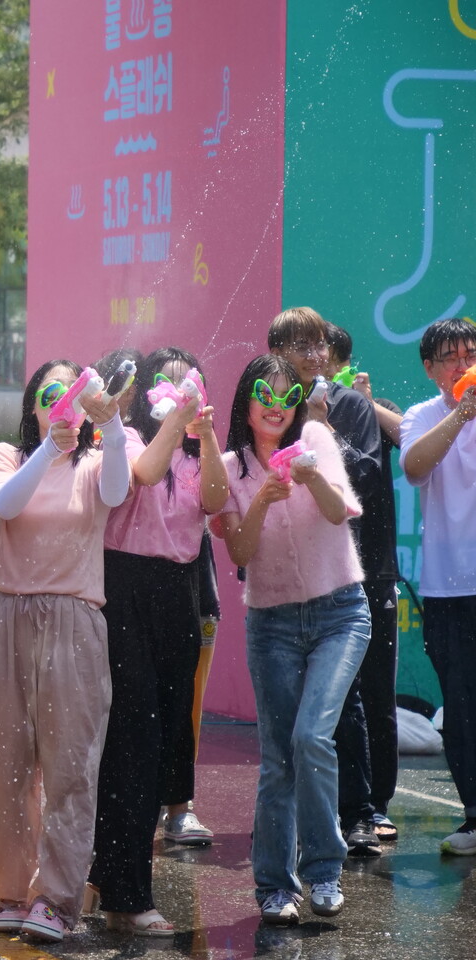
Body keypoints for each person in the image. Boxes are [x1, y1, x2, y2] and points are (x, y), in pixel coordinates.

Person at [0, 358, 129, 944]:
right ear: (34, 405)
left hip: (75, 619)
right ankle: (13, 891)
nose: (61, 402)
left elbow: (118, 490)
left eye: (72, 392)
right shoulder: (9, 458)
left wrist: (110, 427)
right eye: (50, 393)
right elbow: (7, 504)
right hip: (8, 615)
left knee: (70, 767)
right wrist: (47, 449)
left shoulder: (94, 464)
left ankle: (58, 899)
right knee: (3, 763)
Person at [212, 353, 369, 924]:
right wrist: (259, 501)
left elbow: (340, 512)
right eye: (264, 395)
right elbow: (240, 554)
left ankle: (325, 869)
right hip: (272, 622)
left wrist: (309, 476)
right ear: (247, 404)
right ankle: (275, 886)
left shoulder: (316, 439)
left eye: (286, 397)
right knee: (278, 758)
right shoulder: (231, 466)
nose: (276, 407)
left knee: (311, 738)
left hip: (340, 613)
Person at [87, 347, 228, 936]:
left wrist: (207, 433)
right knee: (132, 740)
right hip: (124, 590)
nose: (177, 390)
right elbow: (140, 477)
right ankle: (124, 895)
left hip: (179, 592)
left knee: (165, 737)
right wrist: (177, 419)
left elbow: (216, 504)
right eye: (165, 382)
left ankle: (109, 876)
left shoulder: (194, 452)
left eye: (186, 381)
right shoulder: (120, 442)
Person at [267, 307, 384, 856]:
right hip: (281, 579)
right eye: (300, 346)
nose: (314, 355)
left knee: (345, 703)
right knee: (290, 718)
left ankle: (357, 813)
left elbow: (365, 476)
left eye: (318, 345)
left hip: (336, 574)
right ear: (277, 354)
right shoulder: (268, 405)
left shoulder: (350, 404)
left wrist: (322, 426)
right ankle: (290, 823)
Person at [399, 317, 476, 856]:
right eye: (451, 356)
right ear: (430, 368)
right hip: (449, 588)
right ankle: (472, 816)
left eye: (471, 353)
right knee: (463, 705)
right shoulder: (421, 416)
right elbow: (414, 466)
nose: (462, 363)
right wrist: (462, 412)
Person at [326, 322, 402, 844]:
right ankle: (337, 803)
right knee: (337, 696)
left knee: (375, 690)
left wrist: (365, 404)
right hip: (324, 573)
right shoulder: (288, 410)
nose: (317, 365)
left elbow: (403, 443)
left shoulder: (366, 409)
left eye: (326, 355)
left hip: (373, 569)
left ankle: (376, 804)